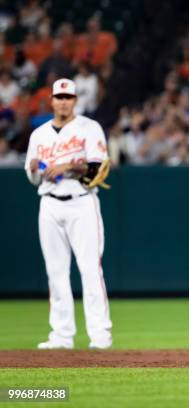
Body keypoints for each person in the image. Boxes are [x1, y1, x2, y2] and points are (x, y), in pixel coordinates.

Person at [24, 78, 112, 349]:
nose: (63, 102)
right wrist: (35, 169)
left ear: (75, 100)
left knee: (89, 269)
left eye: (68, 97)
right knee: (56, 272)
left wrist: (66, 167)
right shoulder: (38, 135)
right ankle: (61, 336)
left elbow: (98, 167)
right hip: (49, 203)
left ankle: (100, 334)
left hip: (81, 202)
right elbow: (32, 176)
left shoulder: (89, 128)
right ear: (51, 100)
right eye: (59, 97)